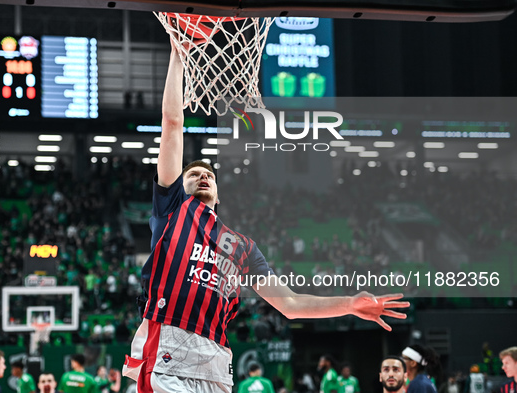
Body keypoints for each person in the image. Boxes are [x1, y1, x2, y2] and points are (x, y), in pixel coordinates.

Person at [122, 34, 409, 393]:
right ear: (180, 185)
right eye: (193, 174)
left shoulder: (243, 247)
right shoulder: (173, 210)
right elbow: (172, 124)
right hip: (167, 343)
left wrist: (349, 304)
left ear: (219, 191)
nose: (203, 176)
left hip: (215, 357)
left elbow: (290, 304)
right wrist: (178, 55)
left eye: (209, 174)